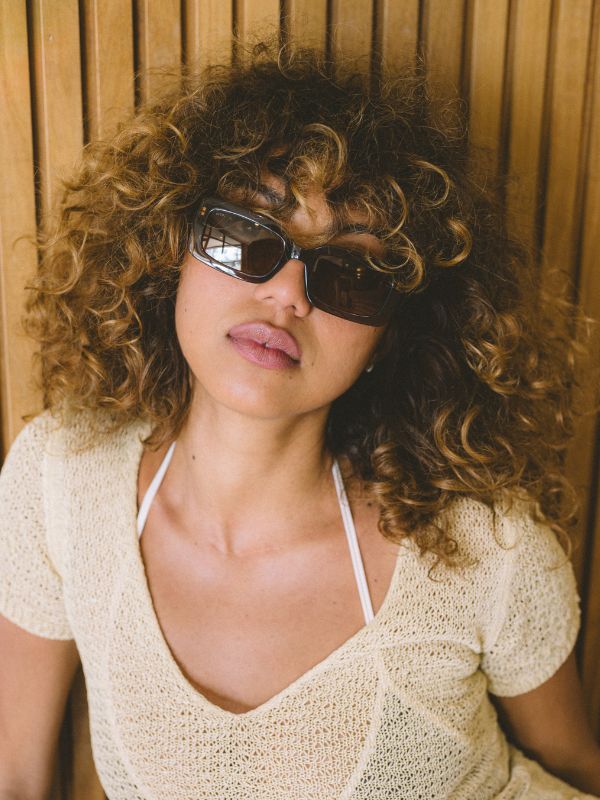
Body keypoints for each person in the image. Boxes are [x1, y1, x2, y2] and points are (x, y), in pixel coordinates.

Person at [0, 42, 599, 800]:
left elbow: (578, 772)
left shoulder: (489, 549)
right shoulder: (59, 482)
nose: (286, 294)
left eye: (349, 273)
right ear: (171, 248)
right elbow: (15, 777)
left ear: (392, 337)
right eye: (246, 236)